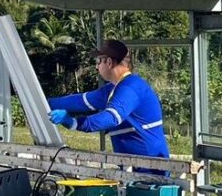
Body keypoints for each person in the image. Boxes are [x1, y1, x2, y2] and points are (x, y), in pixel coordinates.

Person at [48, 39, 169, 171]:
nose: (96, 67)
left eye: (98, 61)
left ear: (109, 62)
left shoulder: (131, 87)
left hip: (151, 169)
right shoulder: (113, 88)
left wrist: (74, 123)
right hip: (133, 166)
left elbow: (111, 117)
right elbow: (80, 101)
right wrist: (46, 102)